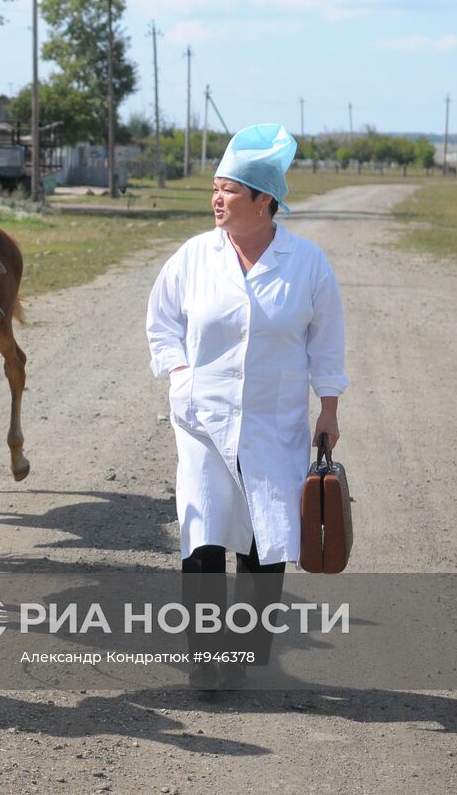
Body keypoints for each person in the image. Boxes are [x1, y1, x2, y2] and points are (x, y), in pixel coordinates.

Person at [145, 123, 349, 691]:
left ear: (265, 201)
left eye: (230, 190)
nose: (216, 198)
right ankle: (205, 660)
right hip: (202, 420)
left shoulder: (307, 264)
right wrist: (181, 373)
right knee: (204, 530)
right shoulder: (193, 257)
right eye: (214, 187)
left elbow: (326, 344)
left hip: (273, 420)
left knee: (265, 535)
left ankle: (247, 648)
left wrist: (328, 409)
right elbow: (161, 323)